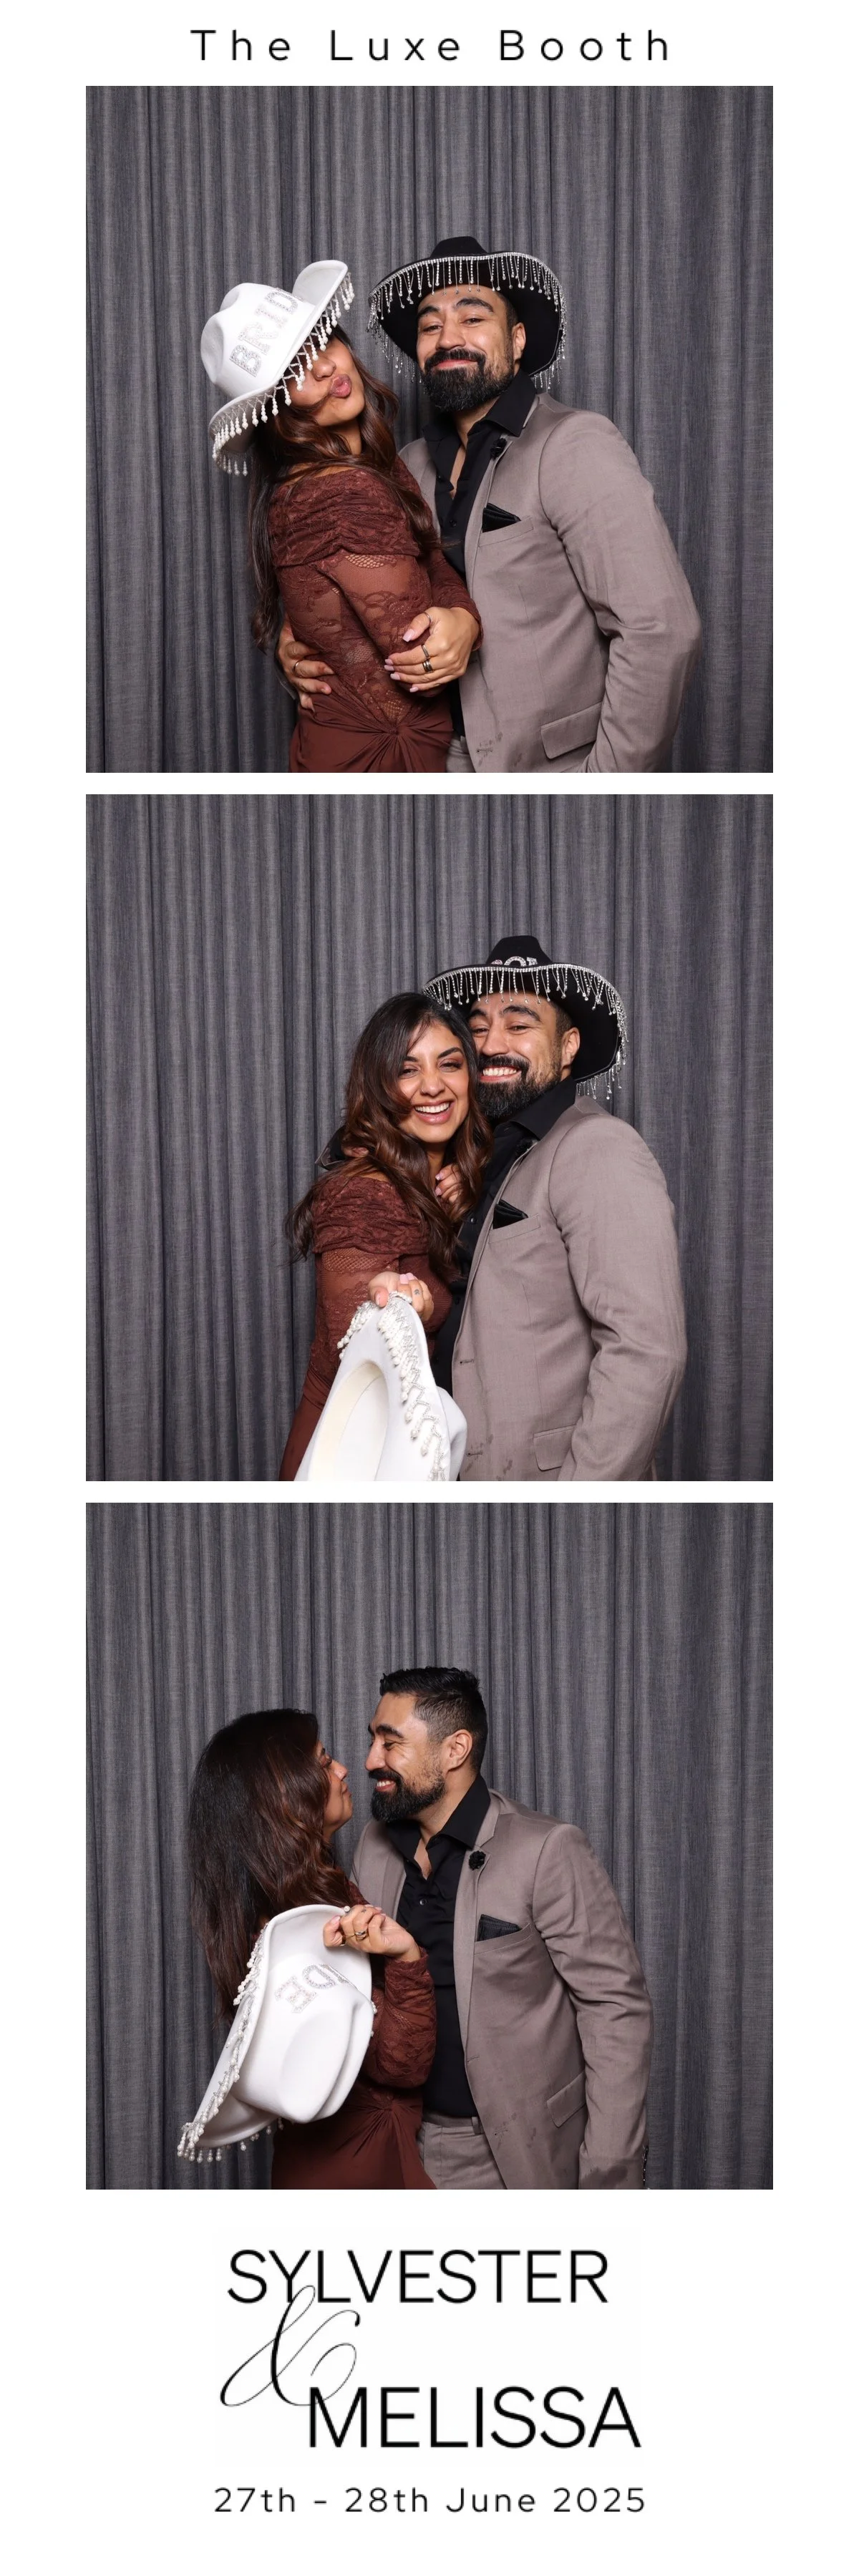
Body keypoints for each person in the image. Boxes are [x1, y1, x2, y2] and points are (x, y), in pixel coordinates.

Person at [279, 235, 702, 772]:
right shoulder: (405, 465)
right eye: (430, 326)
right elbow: (353, 581)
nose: (448, 338)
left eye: (473, 318)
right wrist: (296, 644)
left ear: (518, 339)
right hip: (429, 763)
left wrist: (602, 787)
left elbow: (659, 631)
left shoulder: (574, 444)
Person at [353, 1668, 653, 2189]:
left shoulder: (548, 1850)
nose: (371, 1759)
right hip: (391, 2139)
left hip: (507, 2153)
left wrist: (609, 2172)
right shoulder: (374, 1847)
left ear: (455, 1750)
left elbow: (615, 2009)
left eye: (390, 1741)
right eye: (374, 1739)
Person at [424, 935, 687, 1481]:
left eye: (519, 1025)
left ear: (567, 1048)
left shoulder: (598, 1147)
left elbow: (646, 1352)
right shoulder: (483, 1157)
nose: (491, 1043)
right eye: (477, 1026)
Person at [200, 266, 481, 770]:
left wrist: (459, 614)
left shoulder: (370, 468)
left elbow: (431, 565)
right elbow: (418, 651)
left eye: (323, 343)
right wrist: (466, 621)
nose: (326, 368)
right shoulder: (343, 491)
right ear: (277, 411)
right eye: (294, 371)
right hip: (377, 761)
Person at [186, 1707, 437, 2187]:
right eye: (324, 1762)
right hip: (357, 2174)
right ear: (284, 1797)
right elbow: (401, 2064)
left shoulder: (310, 1896)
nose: (343, 1770)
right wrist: (405, 1956)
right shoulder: (298, 1930)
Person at [280, 993, 490, 1478]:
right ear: (380, 1087)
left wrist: (471, 1182)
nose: (433, 1086)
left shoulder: (438, 1180)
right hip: (352, 1457)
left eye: (449, 1064)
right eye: (408, 1070)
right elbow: (350, 1334)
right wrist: (403, 1306)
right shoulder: (365, 1193)